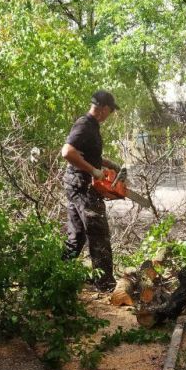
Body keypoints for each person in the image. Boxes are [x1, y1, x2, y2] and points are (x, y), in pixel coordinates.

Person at [60, 90, 122, 291]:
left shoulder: (91, 126)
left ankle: (58, 276)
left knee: (77, 235)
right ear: (104, 109)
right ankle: (105, 284)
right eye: (110, 111)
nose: (110, 115)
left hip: (76, 185)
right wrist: (94, 171)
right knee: (99, 233)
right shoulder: (85, 125)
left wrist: (107, 163)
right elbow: (67, 152)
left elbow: (86, 154)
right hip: (82, 186)